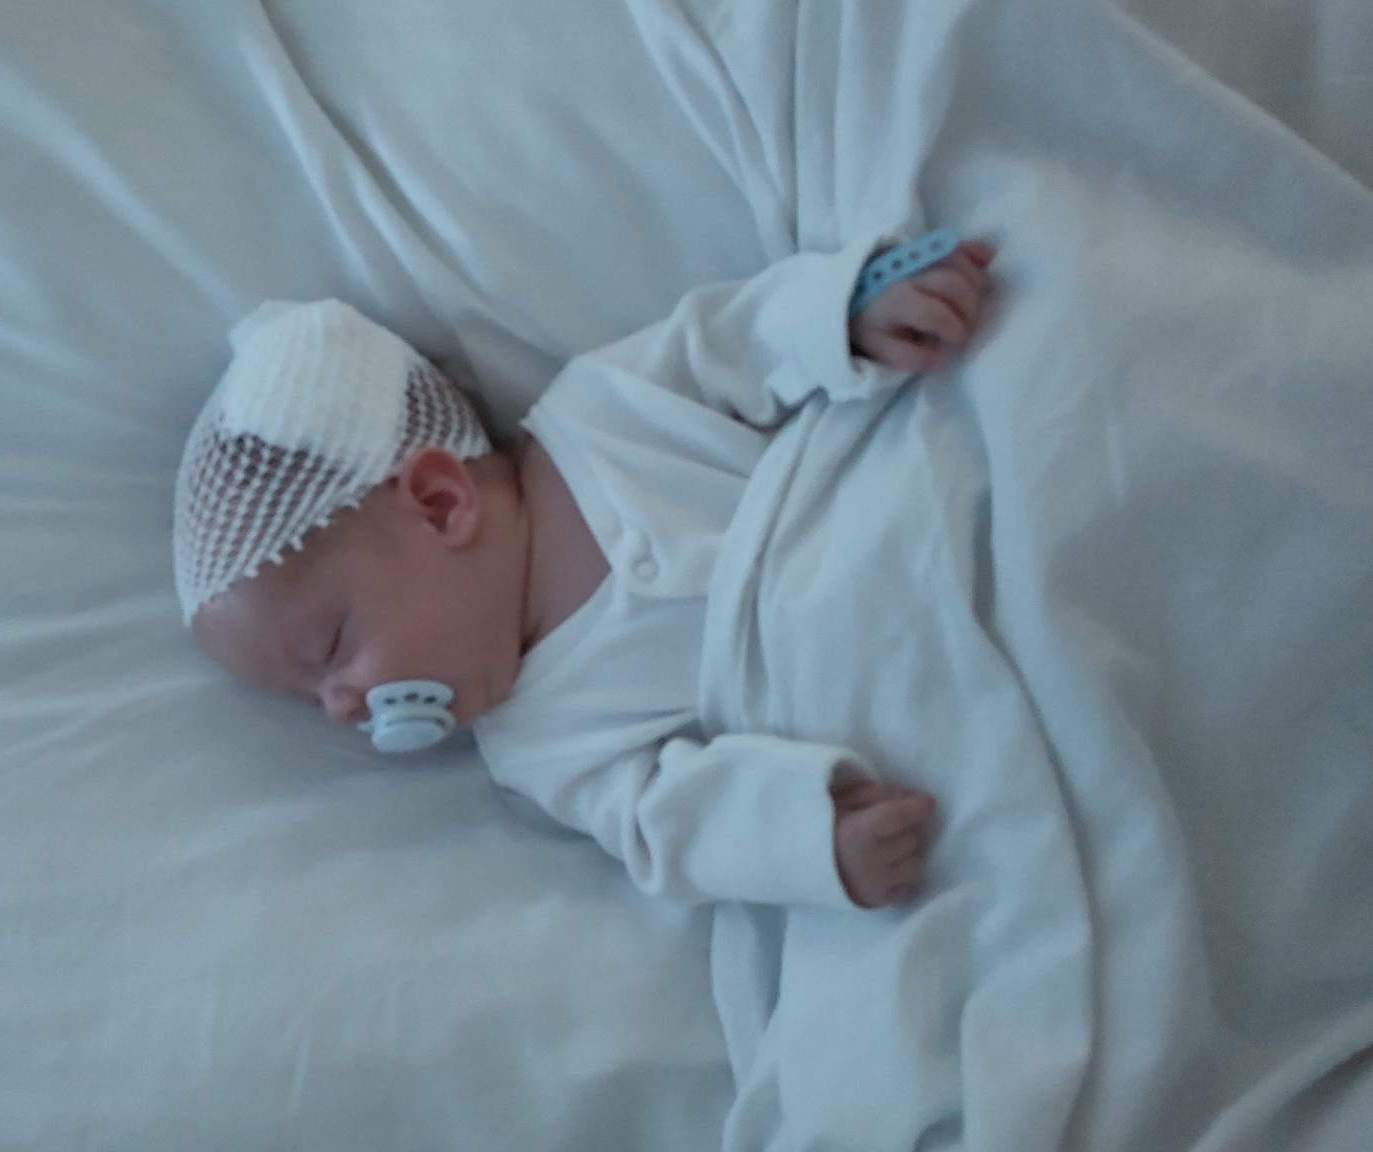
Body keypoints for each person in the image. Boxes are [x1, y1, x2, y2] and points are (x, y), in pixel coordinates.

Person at [174, 231, 997, 910]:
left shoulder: (604, 412)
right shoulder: (540, 746)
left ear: (439, 503)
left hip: (919, 502)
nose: (340, 706)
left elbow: (728, 344)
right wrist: (814, 841)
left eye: (330, 648)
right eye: (308, 699)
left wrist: (842, 315)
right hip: (912, 686)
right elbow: (665, 824)